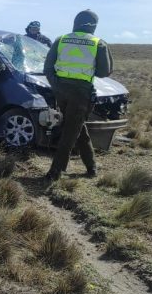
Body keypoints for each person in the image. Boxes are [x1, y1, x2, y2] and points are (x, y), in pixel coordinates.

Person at [43, 10, 113, 181]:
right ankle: (55, 171)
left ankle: (91, 167)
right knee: (70, 131)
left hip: (61, 91)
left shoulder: (61, 40)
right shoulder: (98, 43)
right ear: (94, 25)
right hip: (81, 92)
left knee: (77, 127)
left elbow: (47, 68)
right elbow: (105, 72)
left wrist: (57, 85)